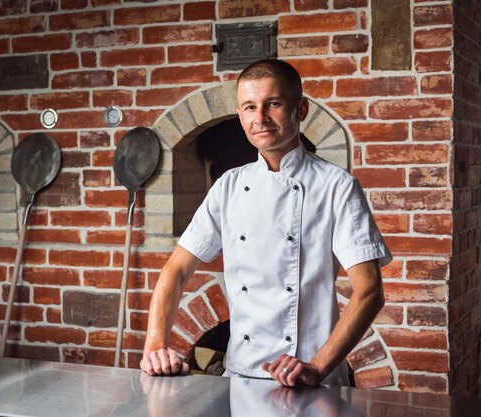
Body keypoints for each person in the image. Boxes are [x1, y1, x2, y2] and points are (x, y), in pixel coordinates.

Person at [140, 58, 392, 387]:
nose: (260, 118)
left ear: (300, 110)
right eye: (249, 107)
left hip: (312, 377)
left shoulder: (336, 186)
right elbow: (175, 270)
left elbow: (369, 291)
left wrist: (317, 367)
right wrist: (156, 344)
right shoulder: (228, 186)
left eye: (272, 104)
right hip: (240, 375)